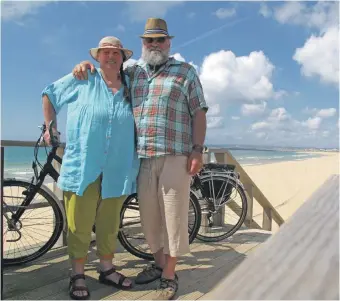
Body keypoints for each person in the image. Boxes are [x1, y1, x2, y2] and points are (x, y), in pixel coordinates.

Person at [72, 18, 208, 300]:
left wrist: (198, 149)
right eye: (149, 40)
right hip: (142, 157)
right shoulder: (133, 73)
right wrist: (85, 66)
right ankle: (158, 264)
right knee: (149, 220)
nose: (155, 44)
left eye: (160, 40)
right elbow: (107, 72)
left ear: (169, 43)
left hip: (175, 155)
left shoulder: (185, 72)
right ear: (142, 44)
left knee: (173, 218)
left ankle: (169, 275)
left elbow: (199, 112)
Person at [42, 36, 140, 300]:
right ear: (97, 57)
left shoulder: (133, 85)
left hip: (118, 167)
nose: (111, 56)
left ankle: (107, 269)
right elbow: (50, 94)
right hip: (83, 165)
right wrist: (51, 127)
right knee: (79, 225)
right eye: (105, 52)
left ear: (123, 58)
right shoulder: (82, 77)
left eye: (116, 53)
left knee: (109, 224)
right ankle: (77, 274)